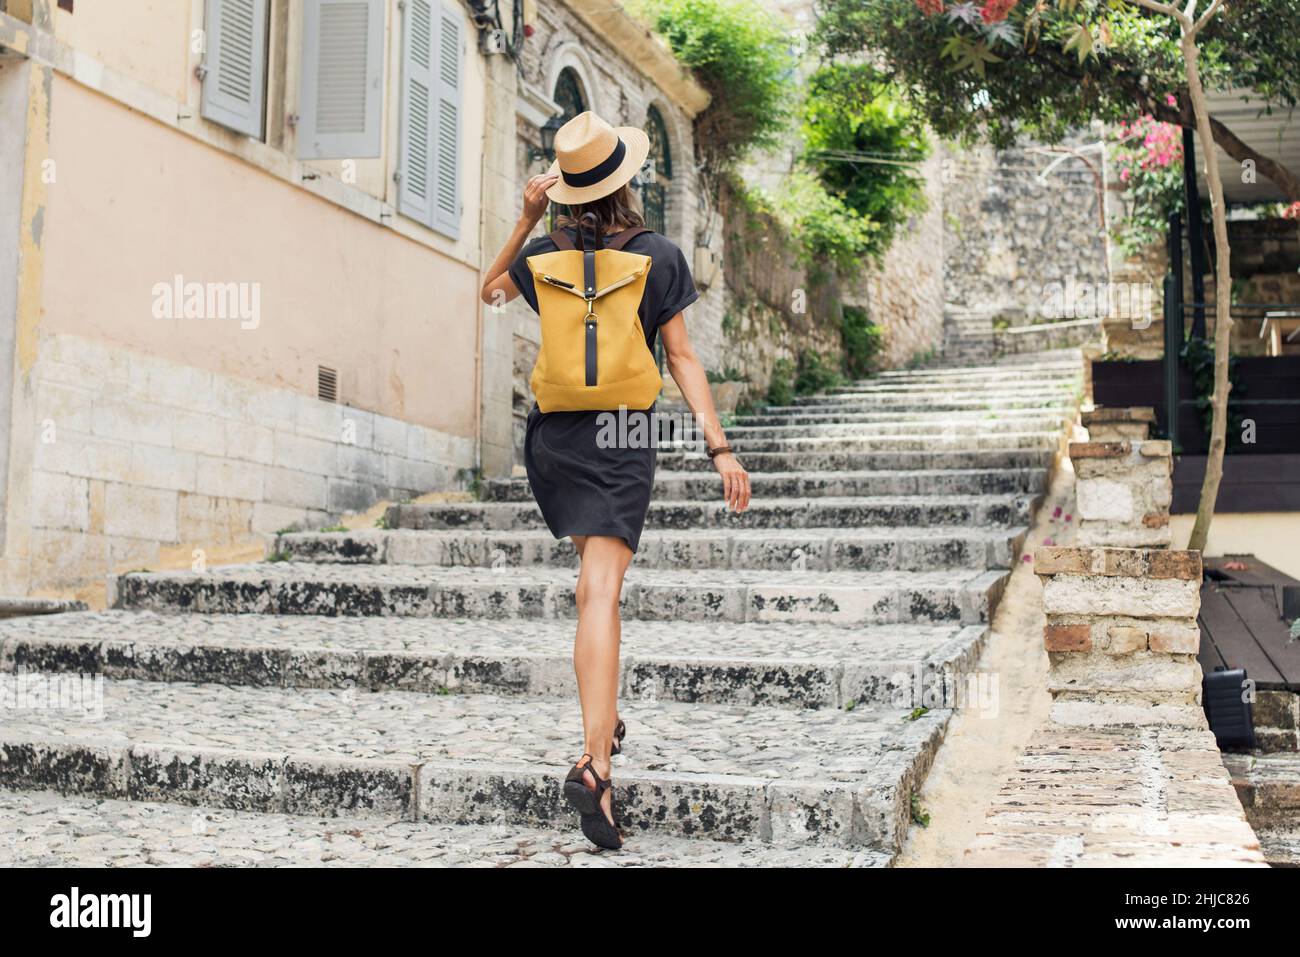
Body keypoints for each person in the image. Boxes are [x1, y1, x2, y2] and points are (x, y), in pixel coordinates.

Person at [479, 112, 750, 849]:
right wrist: (718, 447)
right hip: (624, 431)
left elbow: (489, 289)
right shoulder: (659, 255)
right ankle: (595, 764)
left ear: (565, 189)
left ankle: (605, 719)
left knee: (590, 587)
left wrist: (526, 218)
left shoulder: (543, 255)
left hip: (555, 433)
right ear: (626, 180)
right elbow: (684, 358)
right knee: (600, 593)